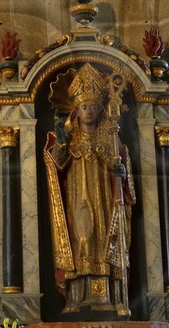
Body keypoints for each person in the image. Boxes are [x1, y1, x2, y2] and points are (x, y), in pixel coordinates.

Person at [43, 63, 135, 314]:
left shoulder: (111, 137)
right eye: (85, 107)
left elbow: (123, 166)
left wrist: (123, 173)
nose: (89, 112)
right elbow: (56, 164)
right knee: (82, 238)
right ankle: (76, 298)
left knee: (107, 241)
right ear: (76, 110)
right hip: (78, 196)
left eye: (94, 107)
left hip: (105, 198)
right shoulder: (69, 137)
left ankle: (111, 297)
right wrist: (61, 144)